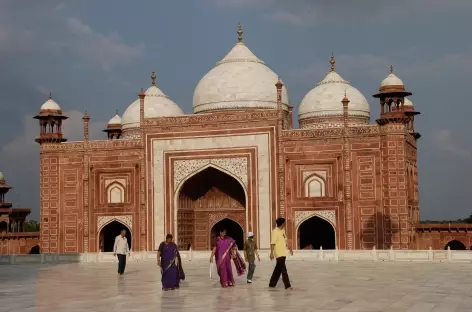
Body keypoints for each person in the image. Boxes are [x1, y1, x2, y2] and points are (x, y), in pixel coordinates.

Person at [269, 218, 293, 289]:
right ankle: (287, 285)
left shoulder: (282, 231)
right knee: (283, 269)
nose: (285, 224)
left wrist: (290, 249)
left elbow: (285, 240)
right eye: (284, 223)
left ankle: (272, 284)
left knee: (278, 269)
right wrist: (271, 253)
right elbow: (272, 243)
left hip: (283, 252)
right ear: (282, 223)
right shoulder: (275, 231)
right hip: (278, 253)